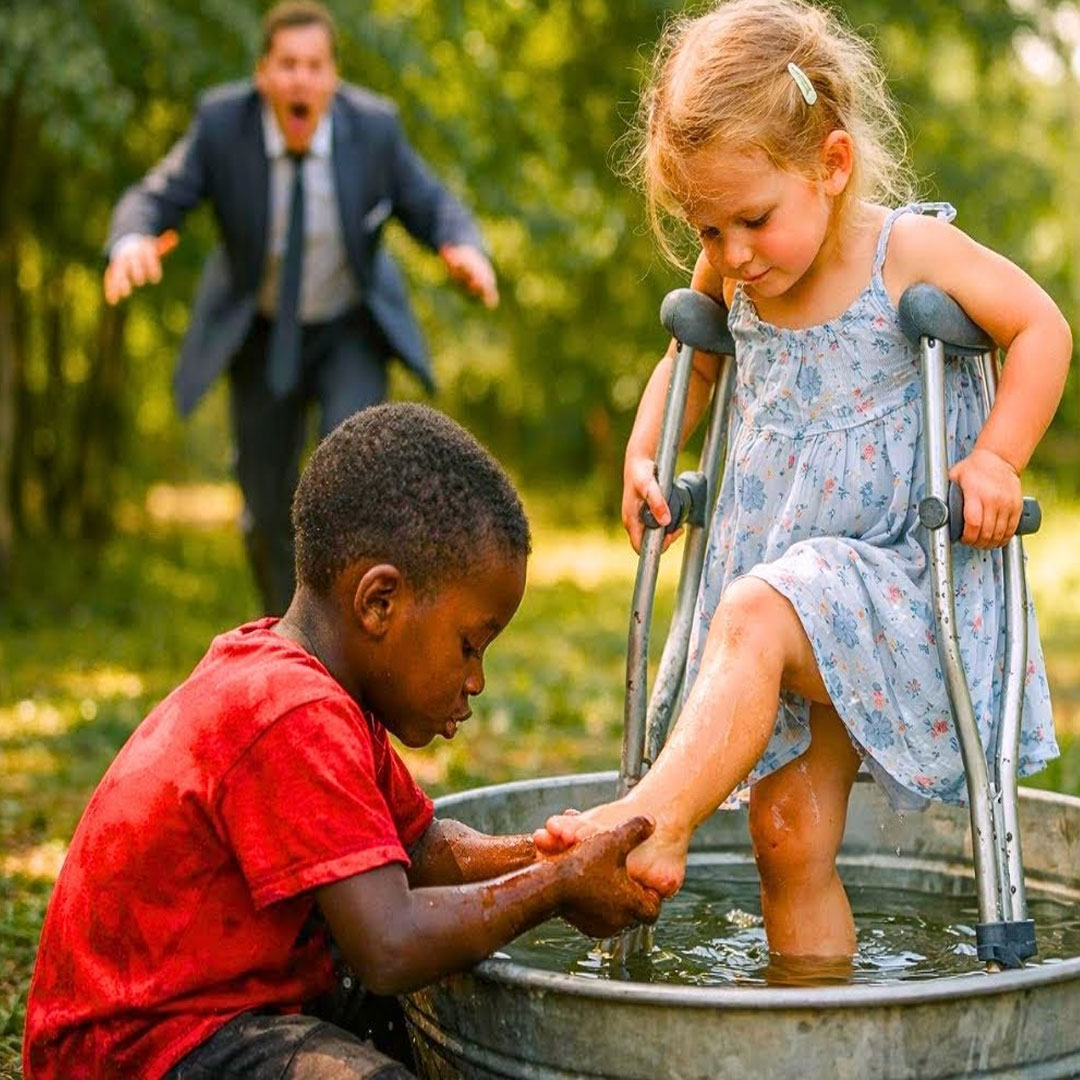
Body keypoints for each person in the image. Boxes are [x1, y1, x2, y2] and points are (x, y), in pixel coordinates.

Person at [535, 0, 1071, 962]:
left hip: (900, 586)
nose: (732, 253)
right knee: (787, 839)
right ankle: (810, 1033)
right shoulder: (733, 272)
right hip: (791, 598)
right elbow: (693, 363)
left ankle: (644, 825)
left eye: (752, 220)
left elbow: (1042, 326)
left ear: (831, 165)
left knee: (752, 611)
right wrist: (646, 452)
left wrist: (996, 455)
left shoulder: (901, 251)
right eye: (707, 226)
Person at [22, 403, 661, 1079]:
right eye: (469, 645)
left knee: (410, 998)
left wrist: (538, 850)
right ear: (379, 601)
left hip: (218, 1012)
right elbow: (389, 944)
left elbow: (420, 849)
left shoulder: (323, 693)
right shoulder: (289, 711)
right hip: (135, 1050)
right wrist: (556, 886)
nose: (476, 679)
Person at [103, 0, 499, 616]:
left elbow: (433, 203)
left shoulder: (374, 129)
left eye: (314, 66)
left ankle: (356, 632)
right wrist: (131, 239)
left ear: (332, 77)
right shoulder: (221, 126)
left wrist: (464, 247)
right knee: (265, 507)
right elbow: (156, 195)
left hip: (348, 331)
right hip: (260, 333)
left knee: (355, 485)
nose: (301, 80)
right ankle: (287, 637)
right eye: (287, 65)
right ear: (263, 73)